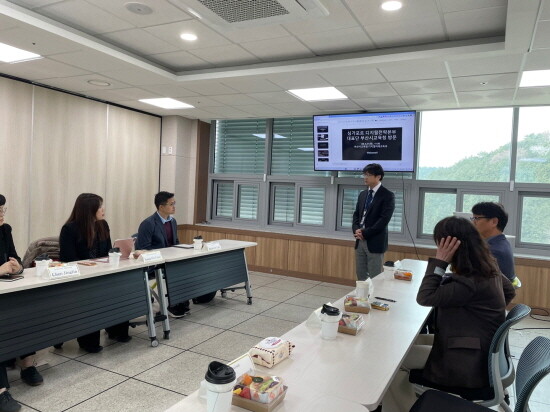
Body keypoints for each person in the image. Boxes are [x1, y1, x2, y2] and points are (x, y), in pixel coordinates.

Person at [382, 216, 515, 412]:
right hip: (479, 350)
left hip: (467, 361)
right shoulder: (488, 266)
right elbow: (509, 291)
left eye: (440, 244)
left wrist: (440, 262)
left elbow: (425, 297)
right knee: (411, 342)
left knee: (392, 364)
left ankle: (404, 408)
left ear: (451, 246)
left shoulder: (469, 282)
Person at [59, 193, 131, 353]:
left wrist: (117, 253)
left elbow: (106, 252)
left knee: (120, 289)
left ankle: (117, 331)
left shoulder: (102, 225)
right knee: (92, 297)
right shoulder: (69, 229)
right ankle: (87, 340)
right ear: (89, 210)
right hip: (81, 278)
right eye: (99, 207)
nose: (103, 209)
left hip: (101, 274)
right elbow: (68, 258)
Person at [0, 194, 43, 395]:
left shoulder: (5, 230)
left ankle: (27, 364)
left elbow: (15, 257)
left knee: (25, 311)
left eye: (3, 209)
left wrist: (17, 267)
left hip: (8, 288)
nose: (1, 214)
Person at [136, 191, 190, 317]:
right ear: (161, 207)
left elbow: (175, 242)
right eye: (171, 204)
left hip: (169, 260)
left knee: (188, 266)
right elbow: (144, 249)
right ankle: (173, 305)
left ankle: (181, 302)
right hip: (155, 263)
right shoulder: (148, 224)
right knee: (177, 271)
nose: (174, 206)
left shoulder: (173, 221)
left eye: (174, 203)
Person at [352, 163, 395, 280]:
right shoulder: (363, 194)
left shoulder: (387, 195)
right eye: (364, 174)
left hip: (374, 241)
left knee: (375, 277)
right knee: (360, 275)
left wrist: (365, 233)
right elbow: (356, 214)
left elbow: (383, 220)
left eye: (369, 175)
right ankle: (362, 298)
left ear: (378, 177)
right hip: (359, 240)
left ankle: (374, 298)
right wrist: (356, 229)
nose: (365, 177)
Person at [471, 202, 521, 288]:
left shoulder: (494, 251)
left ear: (494, 222)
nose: (473, 222)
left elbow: (476, 282)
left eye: (477, 218)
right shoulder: (500, 242)